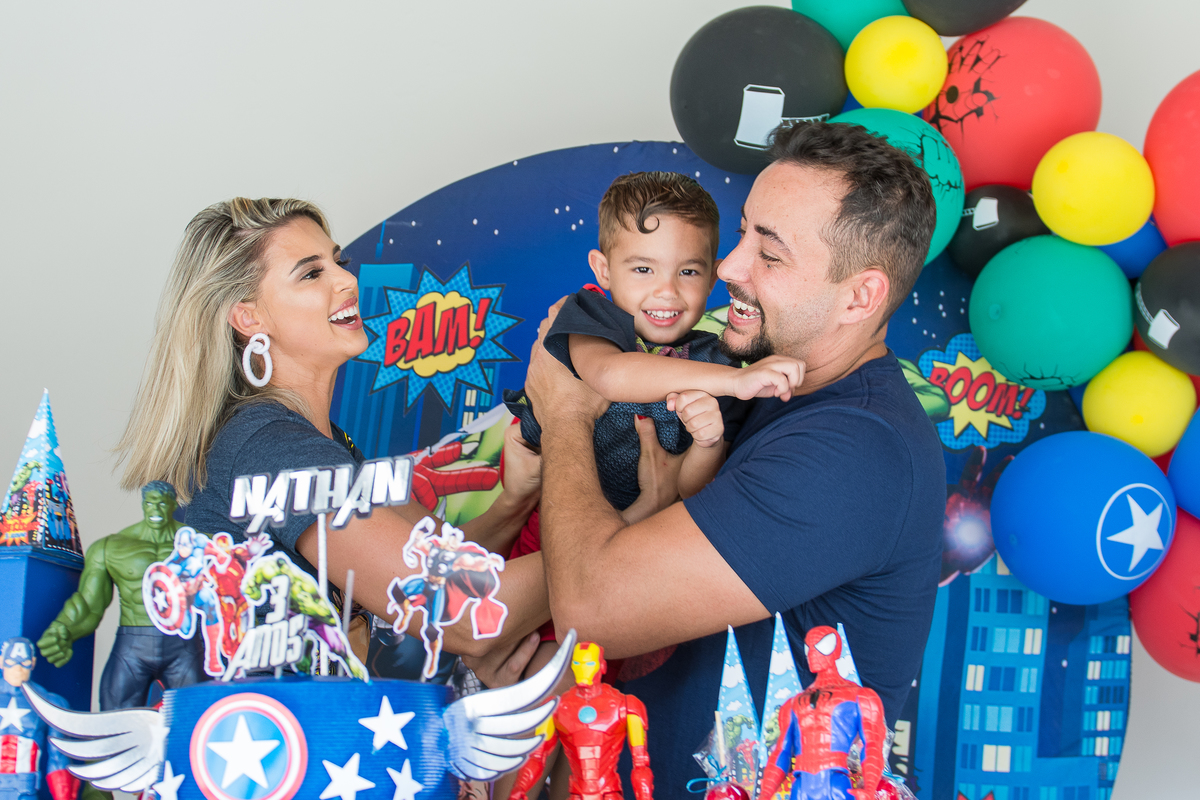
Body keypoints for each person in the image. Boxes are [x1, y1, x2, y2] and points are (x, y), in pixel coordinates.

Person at [523, 121, 947, 792]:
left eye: (769, 254)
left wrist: (566, 414)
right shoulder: (768, 388)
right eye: (743, 232)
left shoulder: (856, 450)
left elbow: (592, 611)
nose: (727, 267)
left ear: (860, 296)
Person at [113, 198, 550, 671]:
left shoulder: (324, 445)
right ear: (249, 318)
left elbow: (453, 563)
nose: (347, 280)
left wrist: (516, 500)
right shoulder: (271, 448)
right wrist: (603, 562)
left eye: (339, 262)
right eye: (311, 273)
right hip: (263, 721)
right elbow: (463, 615)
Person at [37, 482, 206, 710]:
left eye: (162, 503)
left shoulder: (203, 545)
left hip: (183, 645)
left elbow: (230, 590)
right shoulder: (112, 547)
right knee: (115, 716)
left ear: (173, 504)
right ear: (143, 504)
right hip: (132, 644)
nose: (156, 509)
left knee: (196, 716)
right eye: (150, 503)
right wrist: (64, 629)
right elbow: (89, 603)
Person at [0, 637, 78, 800]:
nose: (18, 669)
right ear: (1, 662)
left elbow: (58, 757)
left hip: (24, 791)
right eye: (11, 662)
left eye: (25, 663)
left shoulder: (48, 702)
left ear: (33, 663)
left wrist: (64, 796)